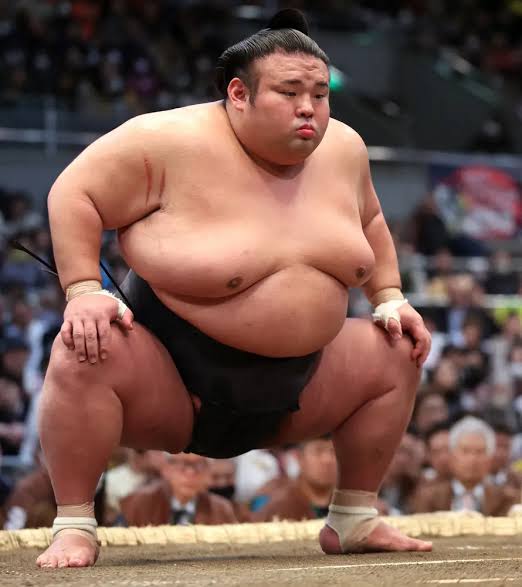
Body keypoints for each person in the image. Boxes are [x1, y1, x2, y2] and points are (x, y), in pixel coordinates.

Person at [35, 8, 432, 568]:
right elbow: (75, 194)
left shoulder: (344, 149)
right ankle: (75, 523)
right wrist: (83, 290)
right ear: (239, 94)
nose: (308, 108)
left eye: (320, 95)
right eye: (289, 92)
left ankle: (355, 517)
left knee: (398, 347)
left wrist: (390, 297)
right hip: (171, 381)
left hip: (302, 384)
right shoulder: (165, 140)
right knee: (83, 347)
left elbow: (369, 220)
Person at [118, 452, 237, 527]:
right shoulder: (139, 504)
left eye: (199, 465)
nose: (189, 473)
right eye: (180, 463)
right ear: (166, 469)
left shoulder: (221, 510)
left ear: (209, 472)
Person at [253, 436, 336, 521]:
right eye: (318, 451)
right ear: (299, 457)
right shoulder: (279, 508)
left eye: (333, 451)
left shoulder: (343, 504)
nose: (327, 460)